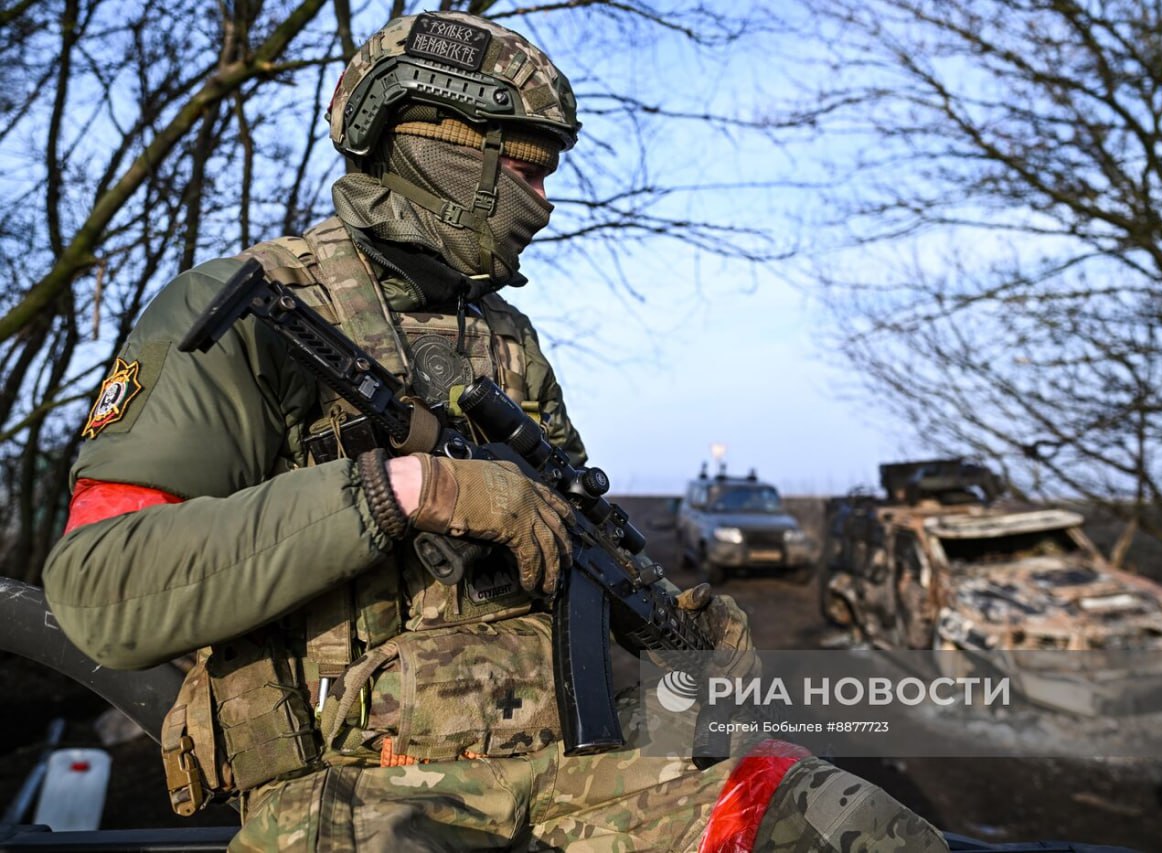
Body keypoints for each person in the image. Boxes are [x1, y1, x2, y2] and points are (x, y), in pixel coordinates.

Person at [42, 12, 946, 852]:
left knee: (855, 828)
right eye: (531, 166)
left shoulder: (505, 338)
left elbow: (578, 546)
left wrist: (677, 632)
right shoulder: (241, 310)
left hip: (579, 775)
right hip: (360, 800)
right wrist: (411, 489)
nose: (546, 202)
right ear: (445, 147)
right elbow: (101, 584)